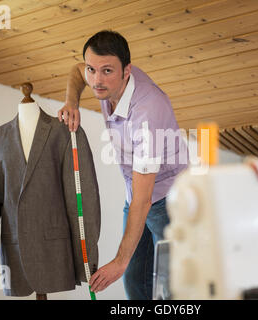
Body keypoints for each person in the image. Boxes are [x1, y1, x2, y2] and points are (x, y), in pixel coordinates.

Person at [58, 30, 188, 300]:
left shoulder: (147, 113)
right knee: (136, 286)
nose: (96, 80)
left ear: (127, 70)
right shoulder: (103, 79)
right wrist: (72, 102)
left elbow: (144, 199)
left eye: (107, 71)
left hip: (171, 203)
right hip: (137, 195)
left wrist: (119, 261)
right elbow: (76, 70)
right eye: (93, 70)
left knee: (173, 290)